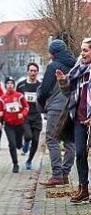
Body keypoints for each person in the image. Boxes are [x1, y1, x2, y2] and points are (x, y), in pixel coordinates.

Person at [38, 39, 76, 187]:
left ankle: (57, 175)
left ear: (52, 53)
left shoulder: (53, 66)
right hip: (71, 106)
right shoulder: (74, 64)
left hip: (56, 107)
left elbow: (44, 90)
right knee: (69, 141)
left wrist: (42, 105)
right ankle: (65, 173)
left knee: (52, 139)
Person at [56, 38, 91, 203]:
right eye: (82, 51)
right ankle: (83, 189)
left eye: (86, 50)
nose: (82, 54)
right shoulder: (78, 70)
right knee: (80, 154)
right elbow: (69, 93)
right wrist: (63, 81)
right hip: (79, 119)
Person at [0, 77, 29, 173]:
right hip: (9, 124)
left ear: (14, 85)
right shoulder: (2, 98)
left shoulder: (19, 96)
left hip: (19, 124)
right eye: (8, 83)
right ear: (5, 85)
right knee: (12, 144)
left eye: (11, 83)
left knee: (18, 144)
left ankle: (20, 144)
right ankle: (15, 164)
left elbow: (26, 107)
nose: (10, 85)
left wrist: (22, 114)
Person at [16, 63, 42, 170]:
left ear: (37, 72)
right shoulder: (21, 85)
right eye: (31, 70)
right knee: (28, 136)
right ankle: (26, 143)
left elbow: (44, 99)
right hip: (25, 115)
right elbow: (16, 98)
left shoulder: (40, 86)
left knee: (35, 140)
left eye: (35, 71)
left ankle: (29, 161)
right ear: (28, 71)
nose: (33, 73)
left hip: (36, 115)